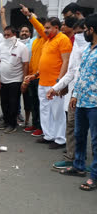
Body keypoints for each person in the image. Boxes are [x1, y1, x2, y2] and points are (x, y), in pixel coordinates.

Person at [59, 13, 97, 191]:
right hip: (81, 101)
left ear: (92, 30)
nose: (84, 34)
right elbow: (81, 75)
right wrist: (74, 94)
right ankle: (78, 166)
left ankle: (95, 176)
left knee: (96, 141)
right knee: (79, 136)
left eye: (87, 30)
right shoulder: (88, 49)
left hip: (95, 103)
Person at [46, 19, 89, 169]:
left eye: (81, 33)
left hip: (91, 98)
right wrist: (56, 87)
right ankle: (73, 158)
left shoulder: (93, 50)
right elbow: (72, 73)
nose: (78, 36)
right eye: (76, 33)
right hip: (74, 95)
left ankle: (90, 164)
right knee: (72, 128)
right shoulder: (76, 46)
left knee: (93, 133)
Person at [25, 17, 72, 149]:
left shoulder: (63, 40)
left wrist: (60, 82)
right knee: (45, 110)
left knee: (57, 112)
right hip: (42, 81)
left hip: (55, 83)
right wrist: (34, 75)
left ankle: (60, 139)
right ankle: (48, 135)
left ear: (56, 28)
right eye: (44, 28)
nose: (45, 30)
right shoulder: (48, 41)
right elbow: (45, 63)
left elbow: (66, 62)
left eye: (47, 28)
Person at [0, 26, 29, 133]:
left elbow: (25, 65)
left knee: (13, 103)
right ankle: (6, 121)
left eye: (8, 35)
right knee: (4, 103)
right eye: (5, 35)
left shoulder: (22, 47)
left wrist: (24, 82)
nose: (6, 37)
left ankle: (12, 124)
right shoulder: (1, 46)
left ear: (15, 35)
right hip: (2, 80)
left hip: (16, 80)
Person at [19, 4, 47, 137]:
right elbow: (31, 59)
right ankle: (35, 124)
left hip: (42, 77)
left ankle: (41, 126)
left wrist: (29, 15)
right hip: (33, 76)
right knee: (33, 102)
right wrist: (28, 76)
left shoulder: (46, 39)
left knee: (41, 104)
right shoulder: (35, 41)